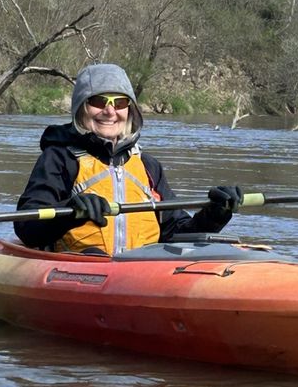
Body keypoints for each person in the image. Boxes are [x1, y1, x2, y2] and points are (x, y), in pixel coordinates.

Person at [14, 62, 242, 254]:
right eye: (98, 101)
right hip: (82, 268)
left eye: (120, 103)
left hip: (140, 273)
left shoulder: (148, 166)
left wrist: (215, 216)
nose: (110, 111)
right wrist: (69, 212)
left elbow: (174, 231)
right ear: (81, 108)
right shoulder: (59, 158)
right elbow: (26, 227)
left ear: (130, 111)